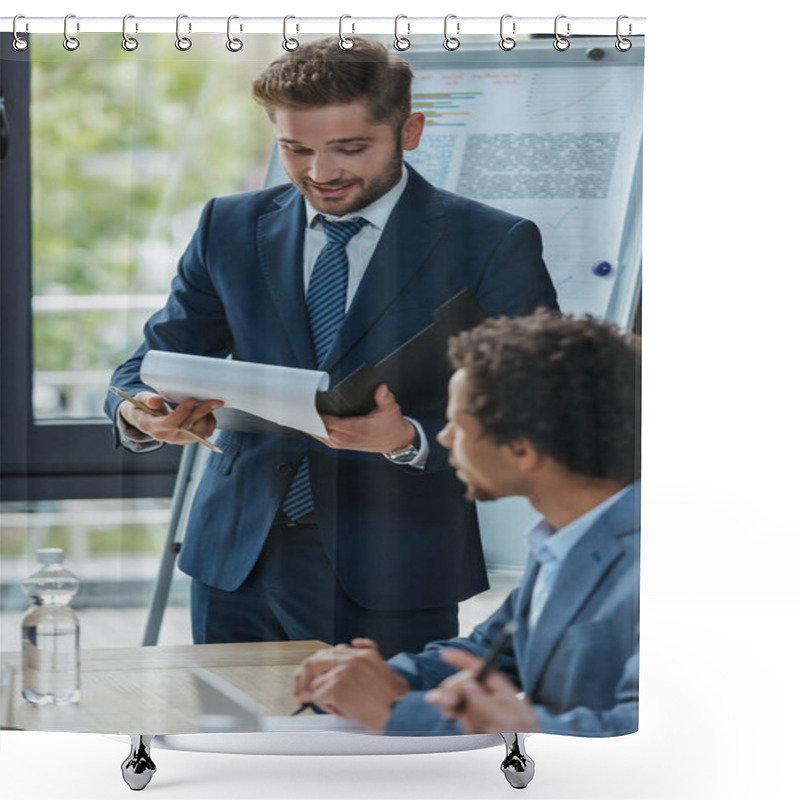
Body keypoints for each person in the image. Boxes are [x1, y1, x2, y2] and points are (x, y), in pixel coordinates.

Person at [105, 37, 557, 659]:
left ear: (411, 130)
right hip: (236, 559)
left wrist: (408, 440)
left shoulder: (491, 242)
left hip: (395, 563)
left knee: (381, 752)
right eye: (296, 149)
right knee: (234, 749)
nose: (321, 174)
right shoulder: (228, 226)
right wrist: (141, 410)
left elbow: (537, 406)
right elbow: (150, 360)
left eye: (350, 149)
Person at [291, 310, 640, 735]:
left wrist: (393, 712)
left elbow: (640, 733)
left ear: (521, 448)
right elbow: (490, 652)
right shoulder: (564, 537)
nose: (442, 438)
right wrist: (378, 676)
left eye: (458, 425)